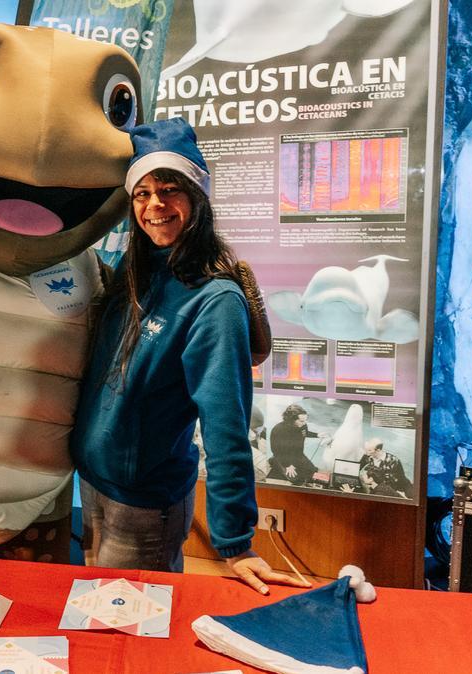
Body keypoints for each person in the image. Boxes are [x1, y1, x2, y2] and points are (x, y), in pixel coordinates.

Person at [71, 118, 308, 595]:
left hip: (143, 507)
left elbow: (226, 425)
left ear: (197, 197)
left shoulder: (215, 300)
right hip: (94, 486)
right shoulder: (134, 273)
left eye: (170, 189)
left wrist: (235, 541)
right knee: (97, 620)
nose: (155, 204)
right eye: (142, 192)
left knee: (132, 647)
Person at [267, 404, 327, 485]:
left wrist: (317, 435)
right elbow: (276, 451)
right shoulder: (278, 430)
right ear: (291, 419)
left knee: (313, 471)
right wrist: (287, 465)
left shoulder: (302, 425)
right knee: (296, 479)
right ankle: (274, 461)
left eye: (306, 420)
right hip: (283, 456)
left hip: (298, 455)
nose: (304, 423)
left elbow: (304, 433)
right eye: (301, 421)